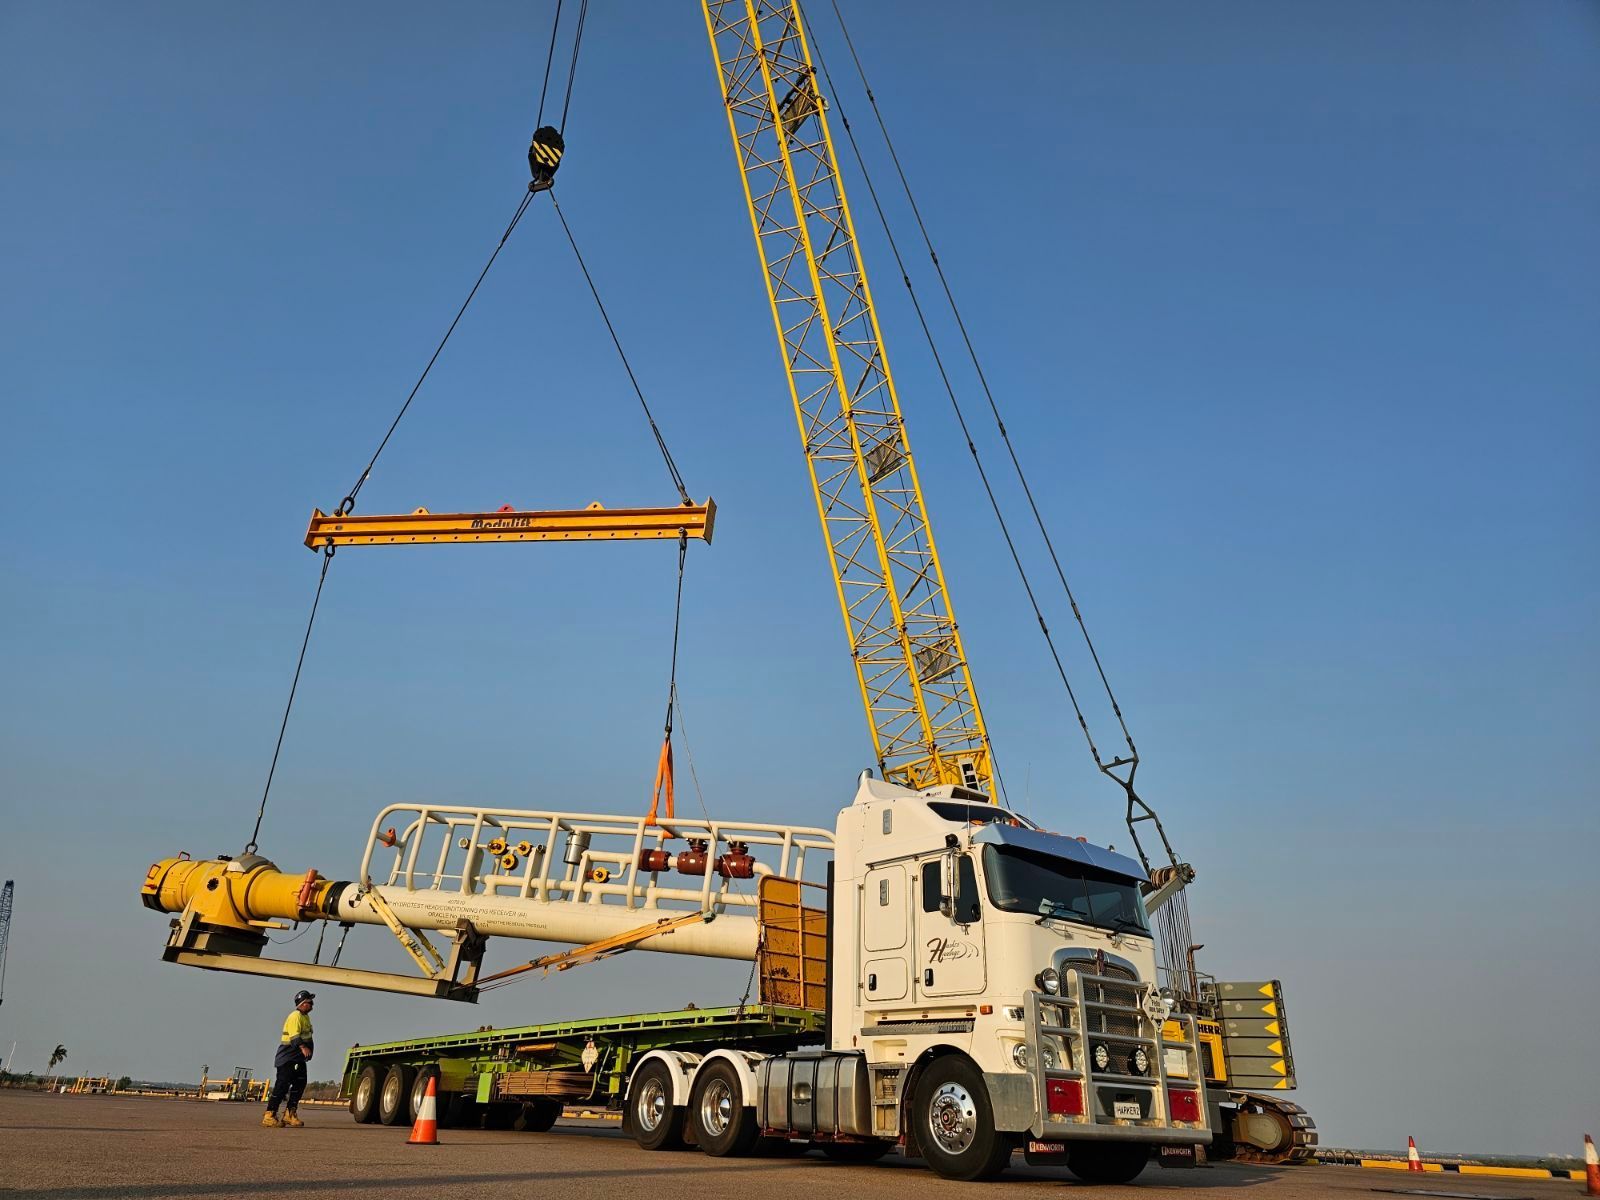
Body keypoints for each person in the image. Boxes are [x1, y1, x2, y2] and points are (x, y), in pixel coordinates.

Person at [261, 990, 315, 1128]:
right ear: (302, 1004)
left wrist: (308, 1052)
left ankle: (290, 1114)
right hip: (287, 1058)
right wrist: (304, 1048)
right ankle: (270, 1114)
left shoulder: (305, 1017)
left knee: (299, 1085)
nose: (312, 1005)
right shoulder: (295, 1016)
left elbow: (307, 1036)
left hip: (298, 1059)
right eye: (309, 1002)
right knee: (282, 1086)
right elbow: (295, 1037)